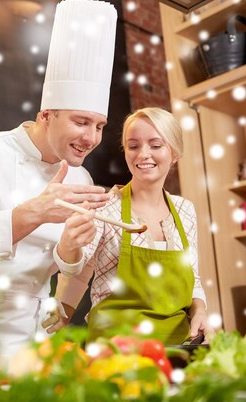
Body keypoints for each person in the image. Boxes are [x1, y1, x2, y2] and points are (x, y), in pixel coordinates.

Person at [0, 0, 117, 363]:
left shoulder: (80, 176)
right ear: (46, 115)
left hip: (33, 340)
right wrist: (32, 213)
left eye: (99, 126)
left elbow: (62, 267)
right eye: (81, 122)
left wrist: (70, 249)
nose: (91, 137)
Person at [56, 107, 211, 344]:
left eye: (156, 145)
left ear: (175, 154)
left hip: (178, 345)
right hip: (117, 347)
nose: (143, 155)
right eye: (134, 146)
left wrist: (200, 310)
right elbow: (73, 267)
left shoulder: (185, 210)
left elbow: (193, 280)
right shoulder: (105, 207)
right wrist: (68, 242)